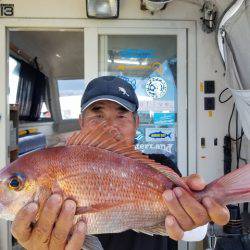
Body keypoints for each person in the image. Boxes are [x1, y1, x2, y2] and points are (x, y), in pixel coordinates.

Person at [11, 76, 230, 250]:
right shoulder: (57, 166)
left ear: (136, 123)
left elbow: (194, 233)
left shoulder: (160, 165)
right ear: (81, 122)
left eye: (121, 115)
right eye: (97, 115)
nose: (109, 126)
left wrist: (200, 215)